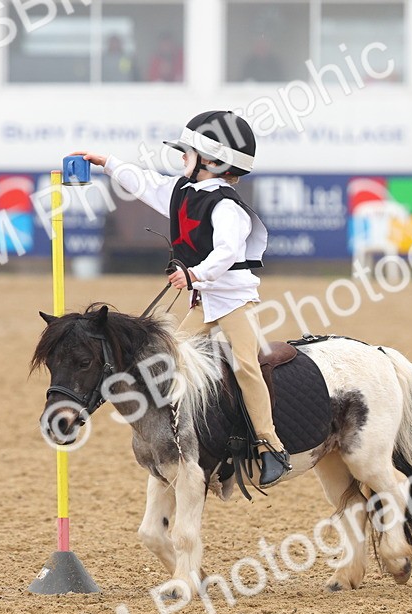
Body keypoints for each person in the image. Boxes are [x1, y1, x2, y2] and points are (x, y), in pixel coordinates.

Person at [74, 111, 291, 487]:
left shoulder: (228, 207)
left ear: (213, 162)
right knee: (169, 360)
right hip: (204, 301)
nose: (180, 158)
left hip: (234, 301)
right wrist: (108, 163)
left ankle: (270, 446)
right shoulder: (182, 191)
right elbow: (145, 183)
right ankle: (188, 436)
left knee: (245, 365)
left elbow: (225, 253)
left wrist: (194, 274)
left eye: (187, 153)